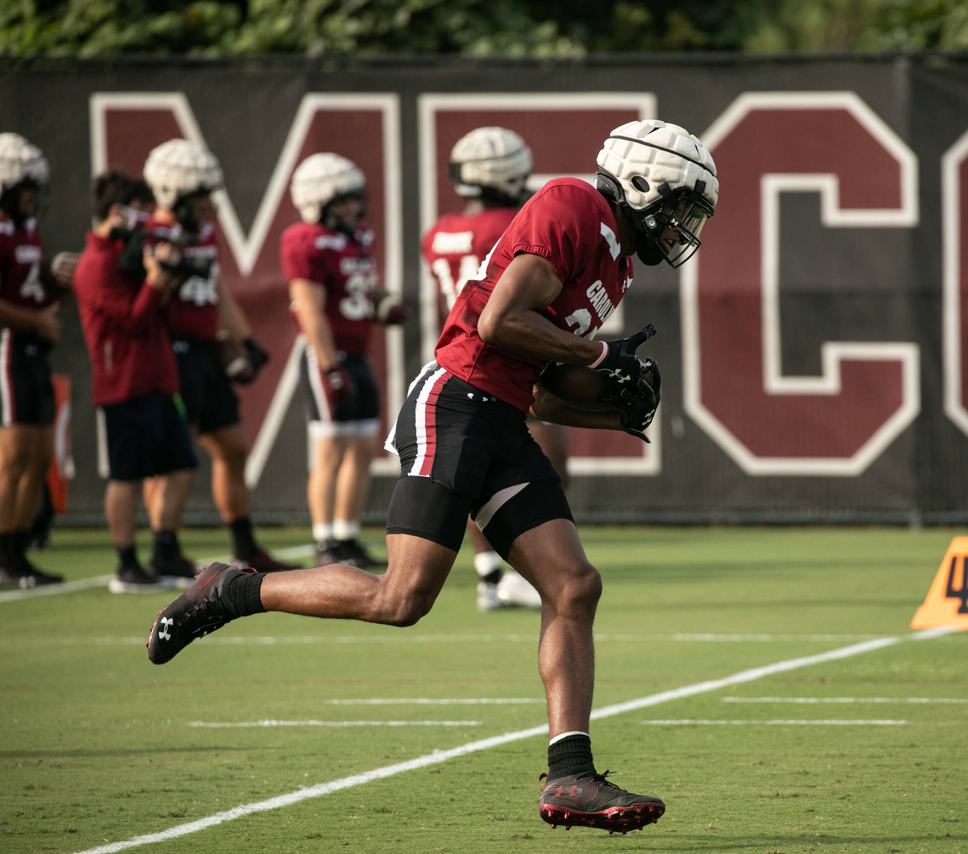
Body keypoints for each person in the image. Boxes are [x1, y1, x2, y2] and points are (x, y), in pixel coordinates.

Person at [147, 119, 717, 835]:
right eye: (680, 205)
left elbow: (538, 385)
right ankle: (231, 589)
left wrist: (614, 414)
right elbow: (499, 324)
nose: (682, 225)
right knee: (402, 597)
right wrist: (601, 358)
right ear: (640, 180)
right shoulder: (576, 206)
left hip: (502, 416)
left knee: (575, 585)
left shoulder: (619, 258)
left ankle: (570, 772)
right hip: (455, 402)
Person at [140, 140, 295, 577]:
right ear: (172, 193)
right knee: (176, 456)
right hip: (171, 351)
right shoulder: (151, 235)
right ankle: (162, 548)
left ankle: (245, 546)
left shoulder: (201, 233)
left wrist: (246, 339)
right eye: (199, 196)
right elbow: (152, 300)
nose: (208, 206)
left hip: (206, 351)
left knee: (233, 447)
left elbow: (218, 288)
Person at [421, 126, 553, 612]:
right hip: (513, 356)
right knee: (540, 468)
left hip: (458, 357)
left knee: (478, 473)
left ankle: (490, 574)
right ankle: (521, 571)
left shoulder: (437, 232)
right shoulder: (517, 220)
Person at [74, 171, 199, 593]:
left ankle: (164, 549)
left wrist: (167, 277)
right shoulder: (95, 263)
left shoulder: (131, 254)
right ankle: (126, 563)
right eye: (142, 213)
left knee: (181, 465)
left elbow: (158, 312)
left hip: (159, 379)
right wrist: (154, 279)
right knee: (126, 476)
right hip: (123, 384)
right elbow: (130, 319)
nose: (148, 222)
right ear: (117, 213)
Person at [281, 153, 406, 568]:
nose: (354, 208)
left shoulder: (357, 237)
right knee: (331, 448)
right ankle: (324, 542)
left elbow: (357, 291)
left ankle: (346, 536)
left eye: (355, 199)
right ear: (319, 202)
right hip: (327, 356)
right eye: (344, 201)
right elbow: (310, 310)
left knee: (362, 447)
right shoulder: (305, 240)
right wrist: (329, 365)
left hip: (358, 353)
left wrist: (381, 303)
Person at [0, 132, 76, 589]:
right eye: (25, 189)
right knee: (11, 455)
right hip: (4, 347)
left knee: (37, 457)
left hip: (30, 348)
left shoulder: (24, 229)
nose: (32, 198)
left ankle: (17, 554)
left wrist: (56, 284)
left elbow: (27, 290)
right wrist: (35, 321)